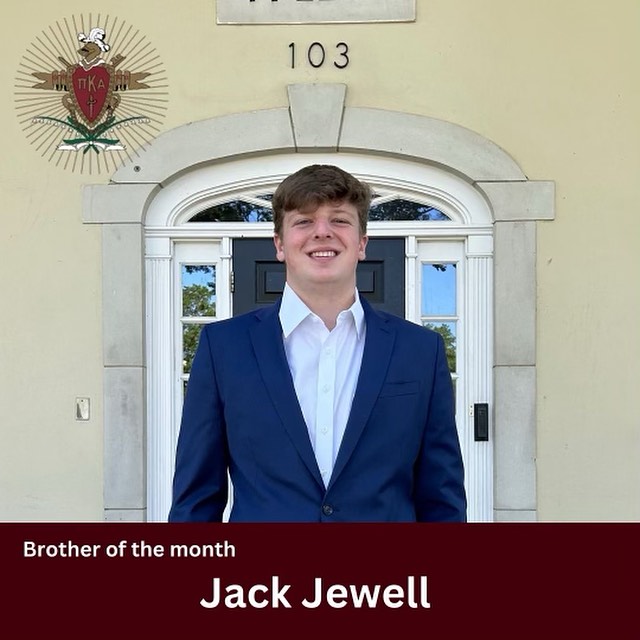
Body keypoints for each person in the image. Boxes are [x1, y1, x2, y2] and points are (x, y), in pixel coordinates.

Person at [168, 164, 467, 522]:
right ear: (280, 245)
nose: (322, 232)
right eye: (304, 221)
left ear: (362, 244)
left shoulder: (420, 350)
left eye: (339, 220)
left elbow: (442, 499)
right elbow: (195, 502)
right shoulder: (223, 348)